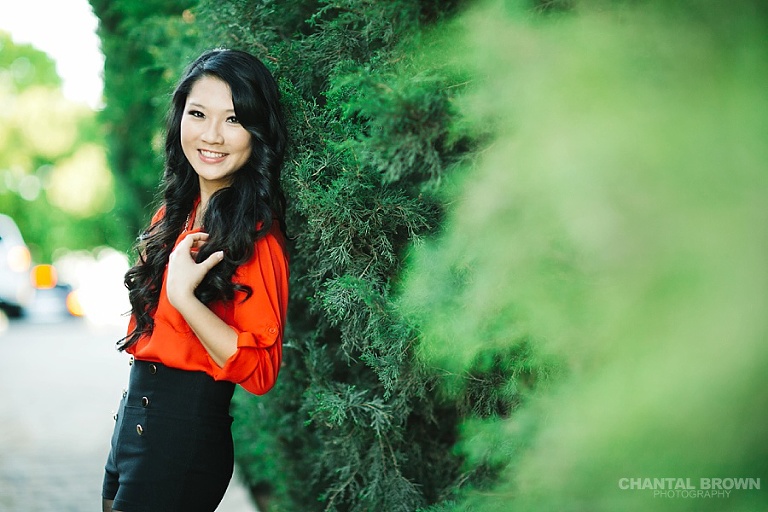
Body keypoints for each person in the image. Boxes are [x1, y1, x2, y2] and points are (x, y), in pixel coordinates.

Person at [101, 48, 289, 512]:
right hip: (133, 420)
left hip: (182, 436)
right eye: (198, 114)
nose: (211, 135)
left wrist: (186, 297)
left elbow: (262, 371)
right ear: (179, 118)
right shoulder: (174, 217)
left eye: (233, 120)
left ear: (256, 133)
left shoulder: (255, 240)